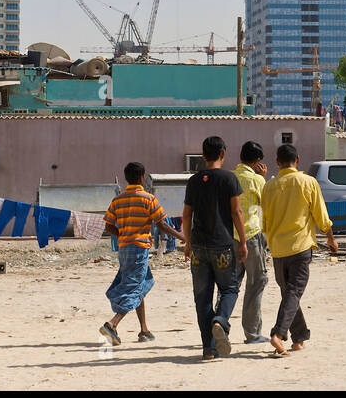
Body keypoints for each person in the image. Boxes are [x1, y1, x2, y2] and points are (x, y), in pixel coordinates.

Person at [260, 143, 336, 356]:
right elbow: (321, 215)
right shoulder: (308, 182)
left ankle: (299, 337)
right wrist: (330, 238)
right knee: (293, 292)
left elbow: (264, 220)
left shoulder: (269, 187)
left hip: (277, 248)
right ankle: (278, 333)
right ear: (298, 160)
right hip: (300, 246)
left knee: (289, 293)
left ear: (277, 162)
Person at [100, 162, 184, 347]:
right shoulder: (148, 199)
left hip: (124, 249)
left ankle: (144, 330)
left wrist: (123, 234)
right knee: (134, 287)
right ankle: (111, 324)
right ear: (141, 178)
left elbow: (108, 226)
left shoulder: (118, 200)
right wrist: (181, 236)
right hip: (139, 249)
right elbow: (162, 224)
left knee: (141, 284)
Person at [182, 135, 246, 360]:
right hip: (222, 244)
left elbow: (187, 215)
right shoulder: (229, 179)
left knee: (202, 298)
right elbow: (237, 212)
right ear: (223, 154)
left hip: (198, 245)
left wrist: (187, 241)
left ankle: (208, 350)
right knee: (229, 289)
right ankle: (221, 320)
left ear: (203, 156)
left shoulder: (193, 181)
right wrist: (244, 241)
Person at [232, 140, 269, 344]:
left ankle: (219, 323)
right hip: (252, 235)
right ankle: (253, 333)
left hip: (231, 237)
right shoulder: (257, 180)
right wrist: (261, 178)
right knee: (256, 284)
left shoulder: (230, 177)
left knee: (230, 286)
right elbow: (266, 205)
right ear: (257, 161)